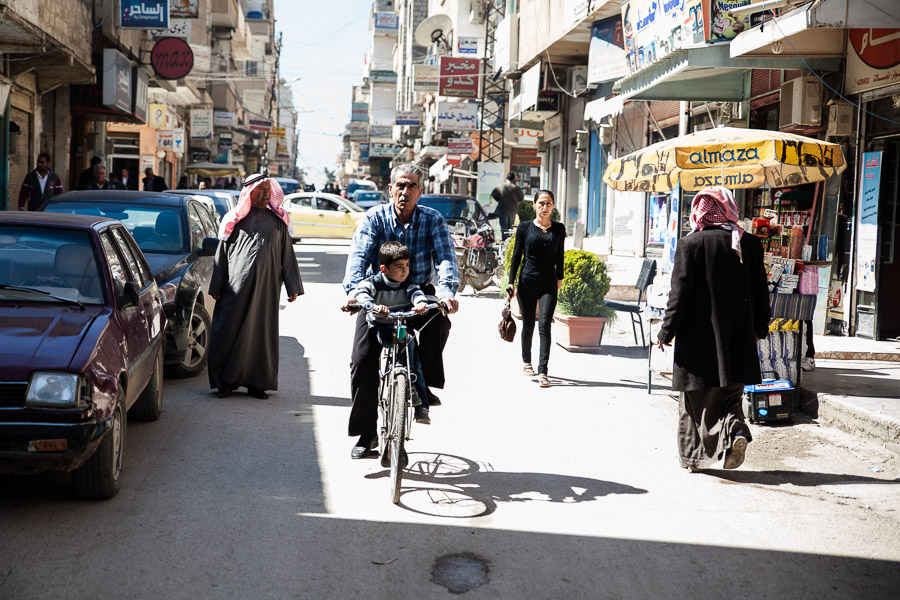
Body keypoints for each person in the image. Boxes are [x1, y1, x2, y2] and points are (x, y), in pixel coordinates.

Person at [342, 163, 459, 459]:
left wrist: (447, 293)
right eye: (400, 185)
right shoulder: (375, 218)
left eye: (411, 186)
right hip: (378, 295)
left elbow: (446, 257)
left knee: (439, 319)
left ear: (420, 191)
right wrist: (355, 294)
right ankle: (367, 434)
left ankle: (423, 385)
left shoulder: (432, 219)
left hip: (417, 292)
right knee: (362, 359)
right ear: (391, 189)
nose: (405, 192)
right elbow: (359, 257)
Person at [656, 186, 770, 472]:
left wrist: (666, 332)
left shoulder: (690, 244)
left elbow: (679, 296)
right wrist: (760, 329)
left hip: (698, 343)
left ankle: (694, 458)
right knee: (729, 397)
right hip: (739, 340)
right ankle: (736, 431)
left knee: (695, 403)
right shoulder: (749, 243)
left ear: (700, 211)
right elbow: (761, 292)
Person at [207, 175, 304, 399]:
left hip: (266, 290)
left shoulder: (279, 221)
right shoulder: (233, 219)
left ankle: (257, 384)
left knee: (261, 335)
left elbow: (287, 255)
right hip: (234, 289)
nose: (267, 194)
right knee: (227, 331)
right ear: (249, 192)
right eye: (262, 190)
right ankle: (225, 383)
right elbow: (221, 255)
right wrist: (217, 284)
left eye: (269, 190)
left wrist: (293, 286)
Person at [348, 241, 433, 425]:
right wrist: (373, 306)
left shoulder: (408, 283)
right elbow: (361, 292)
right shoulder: (375, 282)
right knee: (363, 361)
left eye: (407, 265)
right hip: (380, 327)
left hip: (401, 325)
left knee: (415, 358)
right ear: (384, 269)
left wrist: (420, 303)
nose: (404, 271)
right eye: (399, 267)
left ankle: (422, 406)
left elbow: (416, 293)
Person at [507, 190, 565, 388]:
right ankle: (527, 362)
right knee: (529, 325)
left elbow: (560, 255)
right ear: (534, 205)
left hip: (549, 283)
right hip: (527, 283)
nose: (544, 207)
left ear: (553, 206)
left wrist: (560, 278)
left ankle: (543, 371)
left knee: (545, 326)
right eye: (541, 203)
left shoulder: (559, 229)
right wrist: (510, 282)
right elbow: (517, 255)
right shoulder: (524, 228)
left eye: (548, 203)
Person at [490, 172, 524, 239]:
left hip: (503, 210)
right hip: (513, 210)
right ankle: (509, 242)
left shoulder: (500, 187)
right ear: (514, 179)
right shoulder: (516, 188)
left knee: (503, 228)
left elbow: (493, 194)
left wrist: (499, 199)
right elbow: (521, 199)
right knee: (510, 228)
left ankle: (504, 242)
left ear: (506, 177)